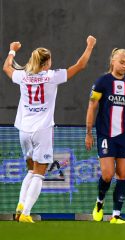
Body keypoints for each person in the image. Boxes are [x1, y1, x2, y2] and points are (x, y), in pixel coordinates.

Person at [3, 35, 97, 223]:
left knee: (30, 170)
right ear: (46, 63)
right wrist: (90, 46)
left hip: (23, 130)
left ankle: (20, 207)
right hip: (42, 129)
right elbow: (80, 66)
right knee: (40, 172)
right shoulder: (51, 76)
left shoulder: (23, 76)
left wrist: (12, 49)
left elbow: (6, 67)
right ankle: (27, 214)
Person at [85, 48, 125, 224]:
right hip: (105, 134)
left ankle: (115, 215)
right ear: (113, 60)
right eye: (122, 61)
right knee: (107, 175)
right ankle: (99, 202)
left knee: (122, 174)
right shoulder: (102, 82)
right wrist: (88, 132)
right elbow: (92, 106)